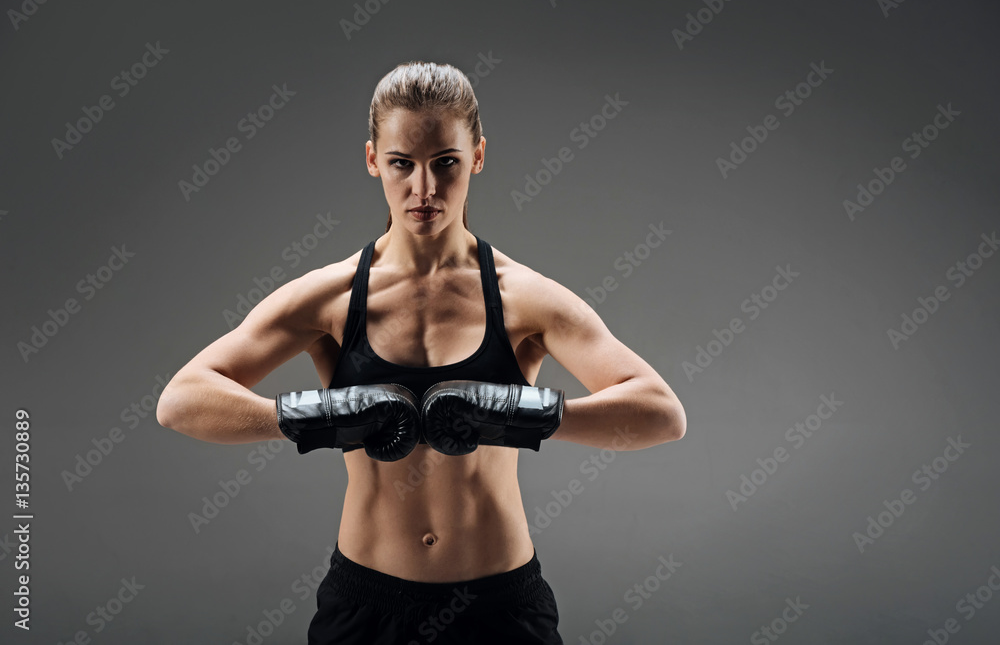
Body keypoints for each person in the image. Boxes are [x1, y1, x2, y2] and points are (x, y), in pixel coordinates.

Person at [156, 61, 687, 644]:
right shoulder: (332, 297)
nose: (424, 190)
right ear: (372, 160)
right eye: (402, 164)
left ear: (478, 156)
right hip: (365, 605)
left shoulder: (524, 298)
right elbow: (181, 400)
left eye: (446, 164)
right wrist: (322, 418)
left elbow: (661, 413)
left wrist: (518, 412)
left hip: (500, 609)